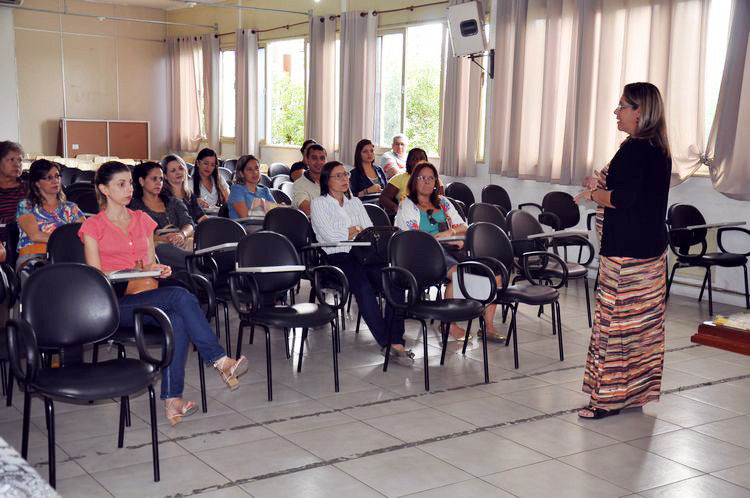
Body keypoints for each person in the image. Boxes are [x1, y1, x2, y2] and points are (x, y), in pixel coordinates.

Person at [80, 161, 248, 426]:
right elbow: (95, 278)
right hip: (113, 303)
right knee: (181, 297)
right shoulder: (92, 227)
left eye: (130, 184)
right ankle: (219, 360)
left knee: (178, 319)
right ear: (104, 189)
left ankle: (172, 400)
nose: (128, 189)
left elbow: (148, 266)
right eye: (120, 184)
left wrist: (156, 268)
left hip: (145, 294)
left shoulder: (142, 220)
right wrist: (128, 271)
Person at [574, 82, 671, 420]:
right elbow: (631, 190)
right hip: (651, 254)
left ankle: (608, 399)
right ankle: (634, 394)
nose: (616, 112)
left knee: (615, 327)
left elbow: (623, 199)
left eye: (621, 106)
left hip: (627, 257)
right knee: (642, 329)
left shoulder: (634, 150)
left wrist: (594, 195)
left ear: (639, 111)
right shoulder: (656, 148)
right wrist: (600, 184)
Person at [310, 161, 414, 365]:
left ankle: (396, 340)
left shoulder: (355, 202)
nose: (344, 179)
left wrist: (354, 230)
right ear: (326, 180)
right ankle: (387, 342)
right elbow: (331, 236)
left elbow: (369, 231)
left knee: (395, 280)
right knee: (363, 287)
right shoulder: (319, 203)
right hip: (337, 257)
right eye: (338, 176)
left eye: (345, 175)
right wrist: (354, 229)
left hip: (364, 254)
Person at [395, 162, 502, 341]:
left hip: (451, 249)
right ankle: (450, 324)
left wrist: (451, 233)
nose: (427, 182)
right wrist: (439, 237)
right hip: (426, 255)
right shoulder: (407, 205)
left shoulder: (443, 202)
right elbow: (413, 237)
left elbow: (464, 227)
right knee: (460, 274)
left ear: (436, 182)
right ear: (414, 181)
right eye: (422, 178)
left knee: (493, 274)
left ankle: (487, 327)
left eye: (431, 178)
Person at [15, 159, 84, 270]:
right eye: (48, 178)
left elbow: (85, 234)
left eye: (57, 176)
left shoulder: (71, 207)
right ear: (37, 183)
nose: (55, 181)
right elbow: (35, 236)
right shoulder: (26, 205)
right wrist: (67, 241)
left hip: (66, 257)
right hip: (34, 256)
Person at [129, 162, 193, 270]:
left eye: (161, 179)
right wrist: (163, 238)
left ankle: (196, 261)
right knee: (161, 248)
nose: (159, 183)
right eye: (154, 179)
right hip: (157, 245)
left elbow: (189, 224)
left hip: (182, 240)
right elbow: (136, 236)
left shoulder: (173, 202)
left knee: (200, 240)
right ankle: (195, 261)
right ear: (141, 181)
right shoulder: (135, 207)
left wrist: (181, 234)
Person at [379, 147, 429, 214]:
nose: (418, 161)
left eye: (421, 159)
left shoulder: (433, 179)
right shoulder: (398, 178)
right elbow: (384, 198)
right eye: (414, 159)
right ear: (409, 162)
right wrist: (398, 208)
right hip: (407, 216)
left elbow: (441, 201)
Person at [227, 155, 278, 219]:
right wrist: (264, 206)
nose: (255, 172)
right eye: (249, 169)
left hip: (266, 226)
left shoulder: (265, 190)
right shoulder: (236, 190)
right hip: (245, 228)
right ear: (241, 173)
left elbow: (276, 213)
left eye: (257, 168)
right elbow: (245, 216)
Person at [162, 154, 207, 224]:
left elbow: (201, 218)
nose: (178, 172)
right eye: (173, 171)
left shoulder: (189, 195)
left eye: (181, 168)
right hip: (174, 233)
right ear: (165, 176)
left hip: (193, 232)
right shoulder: (163, 196)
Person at [0, 141, 27, 246]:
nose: (17, 164)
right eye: (11, 160)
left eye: (19, 160)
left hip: (26, 239)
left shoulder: (29, 188)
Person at [293, 143, 326, 216]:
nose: (319, 162)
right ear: (307, 160)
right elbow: (308, 210)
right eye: (314, 158)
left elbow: (349, 204)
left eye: (322, 158)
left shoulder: (335, 180)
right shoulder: (299, 184)